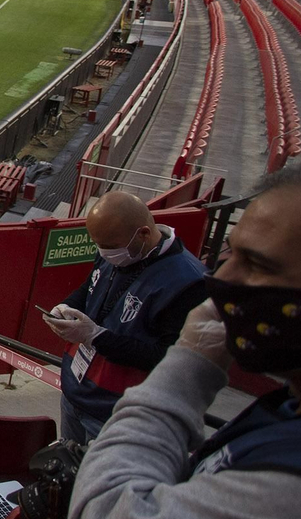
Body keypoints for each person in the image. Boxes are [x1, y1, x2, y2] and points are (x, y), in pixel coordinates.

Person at [64, 163, 301, 519]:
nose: (221, 280)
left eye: (258, 264)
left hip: (109, 406)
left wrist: (189, 363)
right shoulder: (300, 407)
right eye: (231, 253)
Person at [44, 189, 208, 443]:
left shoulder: (189, 282)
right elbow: (90, 287)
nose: (103, 252)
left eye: (109, 247)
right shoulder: (118, 248)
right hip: (75, 394)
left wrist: (96, 337)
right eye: (98, 245)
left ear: (143, 234)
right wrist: (65, 307)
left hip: (117, 415)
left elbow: (169, 358)